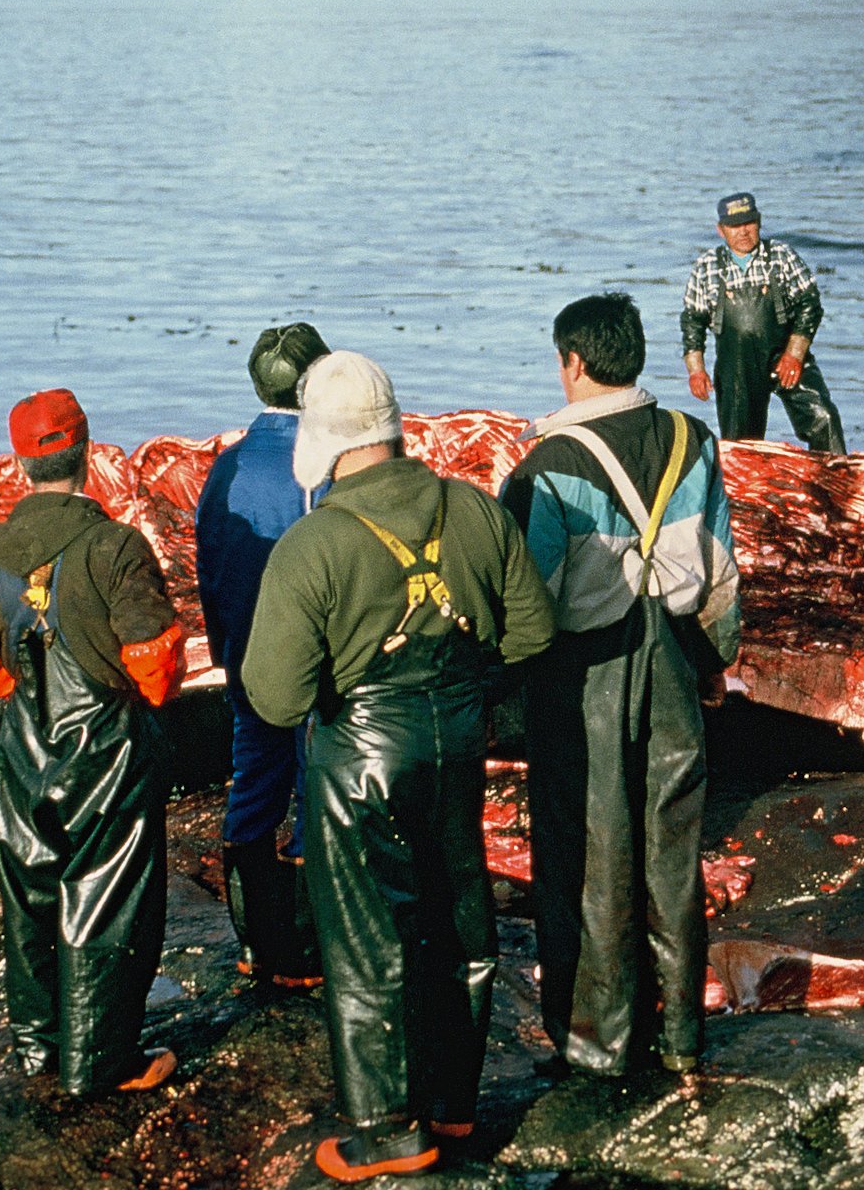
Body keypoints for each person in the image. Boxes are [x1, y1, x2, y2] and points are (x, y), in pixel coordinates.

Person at [243, 352, 556, 1182]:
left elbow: (275, 700)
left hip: (359, 757)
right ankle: (453, 1105)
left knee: (367, 938)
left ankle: (385, 1128)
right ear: (392, 424)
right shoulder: (477, 510)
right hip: (455, 741)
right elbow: (530, 634)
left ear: (321, 440)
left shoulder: (312, 545)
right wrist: (460, 683)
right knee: (459, 922)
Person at [500, 293, 741, 1078]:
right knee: (671, 850)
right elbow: (719, 573)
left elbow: (528, 599)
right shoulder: (691, 438)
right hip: (672, 655)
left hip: (583, 673)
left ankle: (598, 1043)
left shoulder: (548, 466)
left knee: (585, 853)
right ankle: (679, 1036)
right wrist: (712, 667)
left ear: (573, 363)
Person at [0, 388, 186, 1096]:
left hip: (25, 748)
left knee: (31, 894)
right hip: (104, 744)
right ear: (88, 452)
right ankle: (100, 1064)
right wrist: (134, 700)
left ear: (19, 467)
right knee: (104, 900)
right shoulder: (114, 545)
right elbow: (155, 658)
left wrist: (14, 682)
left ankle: (37, 1049)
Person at [194, 322, 331, 988]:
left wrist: (225, 655)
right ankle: (301, 948)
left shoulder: (227, 465)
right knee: (312, 791)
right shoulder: (321, 466)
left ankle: (255, 942)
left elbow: (207, 569)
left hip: (245, 657)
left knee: (252, 788)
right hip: (309, 664)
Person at [680, 190, 845, 454]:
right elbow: (693, 323)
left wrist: (794, 354)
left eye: (749, 223)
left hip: (785, 356)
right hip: (736, 366)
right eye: (735, 226)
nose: (743, 232)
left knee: (823, 418)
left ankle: (839, 483)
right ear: (721, 230)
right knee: (741, 445)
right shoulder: (706, 266)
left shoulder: (782, 255)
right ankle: (741, 494)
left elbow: (810, 304)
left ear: (759, 222)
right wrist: (696, 370)